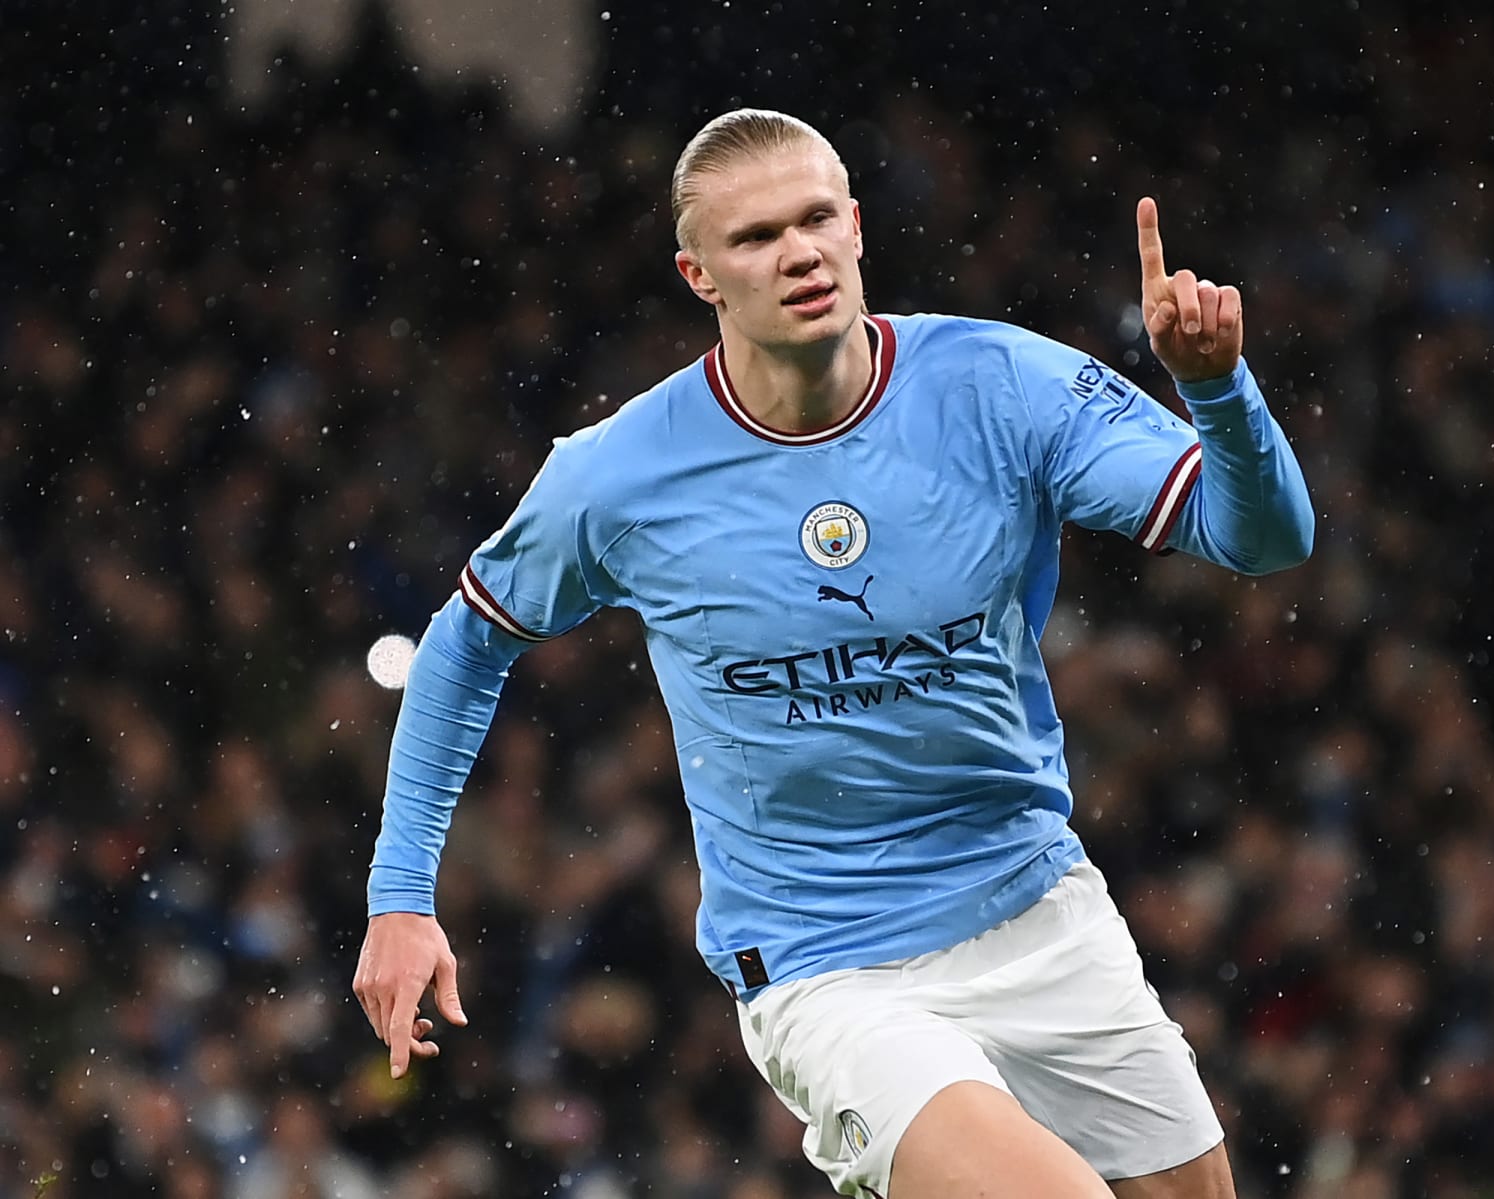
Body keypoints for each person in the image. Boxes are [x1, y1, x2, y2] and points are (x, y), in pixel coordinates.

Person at [353, 107, 1314, 1199]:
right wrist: (400, 893)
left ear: (857, 226)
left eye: (816, 218)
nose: (798, 251)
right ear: (699, 273)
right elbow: (465, 644)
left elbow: (1264, 537)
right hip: (829, 967)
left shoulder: (1000, 386)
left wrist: (1220, 392)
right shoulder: (617, 476)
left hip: (1038, 910)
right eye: (757, 237)